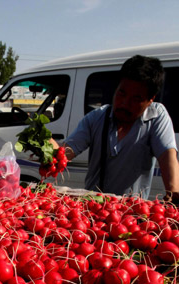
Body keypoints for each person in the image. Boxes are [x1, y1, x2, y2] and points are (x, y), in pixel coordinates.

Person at [53, 54, 179, 202]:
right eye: (121, 93)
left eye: (136, 99)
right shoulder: (96, 118)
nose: (125, 103)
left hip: (131, 214)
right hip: (94, 209)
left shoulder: (156, 117)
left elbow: (167, 156)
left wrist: (173, 191)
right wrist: (48, 148)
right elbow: (65, 152)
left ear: (150, 100)